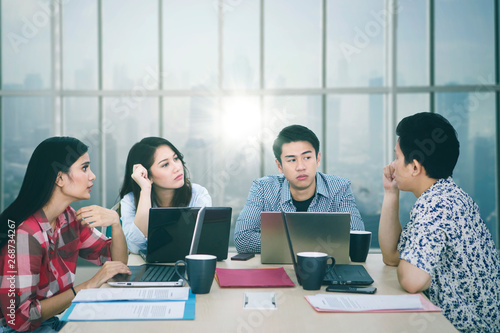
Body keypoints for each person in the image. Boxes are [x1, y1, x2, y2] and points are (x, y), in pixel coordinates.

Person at [379, 112, 500, 332]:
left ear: (414, 167)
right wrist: (390, 193)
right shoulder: (448, 194)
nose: (393, 165)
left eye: (397, 157)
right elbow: (392, 256)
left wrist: (421, 274)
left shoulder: (436, 206)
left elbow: (412, 280)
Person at [0, 137, 130, 332]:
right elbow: (21, 318)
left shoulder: (68, 218)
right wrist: (88, 286)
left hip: (50, 322)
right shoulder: (26, 235)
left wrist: (115, 223)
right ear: (59, 178)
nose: (92, 176)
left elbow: (116, 262)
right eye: (85, 168)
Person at [234, 124, 365, 254]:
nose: (301, 167)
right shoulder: (263, 188)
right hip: (276, 269)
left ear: (317, 159)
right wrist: (315, 244)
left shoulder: (339, 188)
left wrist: (282, 243)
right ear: (279, 165)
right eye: (292, 160)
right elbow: (243, 239)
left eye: (307, 158)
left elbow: (357, 239)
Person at [119, 137, 212, 254]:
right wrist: (146, 190)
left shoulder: (198, 194)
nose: (177, 167)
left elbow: (200, 243)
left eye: (176, 158)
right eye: (165, 164)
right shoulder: (130, 201)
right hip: (149, 269)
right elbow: (135, 247)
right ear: (148, 175)